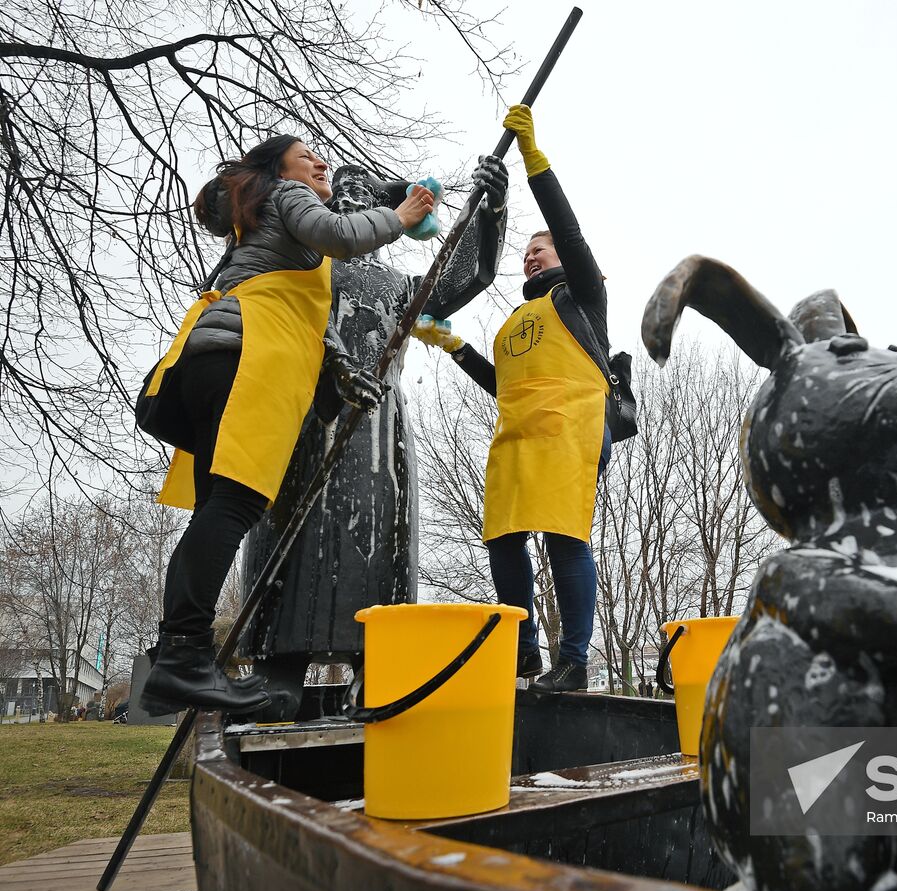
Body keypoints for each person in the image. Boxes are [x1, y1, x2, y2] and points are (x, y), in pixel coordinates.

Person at [136, 135, 435, 716]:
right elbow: (343, 237)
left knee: (216, 510)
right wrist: (402, 215)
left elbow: (309, 317)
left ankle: (182, 653)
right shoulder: (291, 197)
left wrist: (342, 371)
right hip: (246, 357)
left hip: (211, 356)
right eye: (308, 157)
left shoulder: (266, 231)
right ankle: (181, 659)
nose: (320, 164)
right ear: (278, 169)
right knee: (236, 504)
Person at [449, 105, 611, 693]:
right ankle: (522, 653)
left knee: (563, 535)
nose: (531, 255)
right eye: (526, 252)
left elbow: (566, 229)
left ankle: (574, 661)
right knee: (503, 538)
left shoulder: (583, 298)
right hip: (515, 431)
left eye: (539, 250)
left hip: (572, 425)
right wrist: (455, 346)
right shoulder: (518, 317)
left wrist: (532, 158)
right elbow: (504, 385)